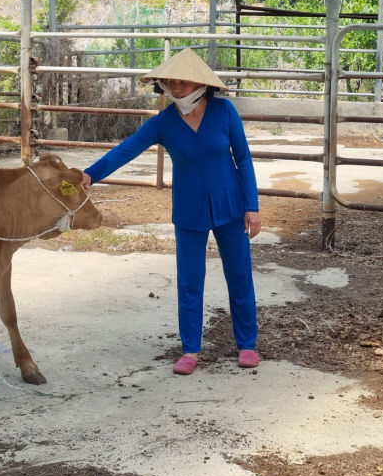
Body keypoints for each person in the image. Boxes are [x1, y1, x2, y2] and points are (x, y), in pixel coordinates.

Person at [81, 48, 261, 375]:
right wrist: (91, 174)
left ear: (201, 82)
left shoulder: (225, 112)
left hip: (230, 206)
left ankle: (247, 343)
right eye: (171, 80)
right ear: (163, 84)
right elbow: (127, 150)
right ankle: (190, 348)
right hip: (189, 211)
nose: (177, 86)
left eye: (184, 79)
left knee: (239, 275)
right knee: (190, 281)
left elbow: (244, 159)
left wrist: (253, 205)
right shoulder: (163, 123)